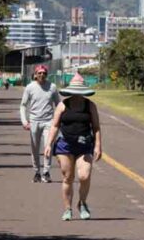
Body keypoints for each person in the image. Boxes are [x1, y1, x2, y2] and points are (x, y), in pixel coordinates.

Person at [44, 73, 102, 221]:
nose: (77, 93)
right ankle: (67, 209)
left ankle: (82, 203)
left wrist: (98, 146)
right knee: (68, 177)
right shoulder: (63, 105)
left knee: (84, 175)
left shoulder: (90, 105)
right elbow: (55, 125)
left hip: (84, 145)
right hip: (65, 145)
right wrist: (49, 144)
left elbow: (96, 127)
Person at [20, 65, 60, 183]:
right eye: (39, 73)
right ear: (35, 75)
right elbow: (23, 105)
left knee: (48, 146)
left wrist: (59, 120)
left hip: (49, 121)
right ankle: (37, 172)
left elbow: (58, 104)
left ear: (47, 75)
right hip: (34, 122)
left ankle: (46, 172)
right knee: (35, 148)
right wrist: (24, 121)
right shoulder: (30, 87)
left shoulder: (52, 87)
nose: (42, 75)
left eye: (44, 73)